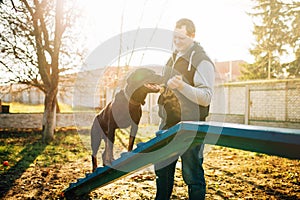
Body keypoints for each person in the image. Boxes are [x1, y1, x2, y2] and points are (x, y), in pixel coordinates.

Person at [154, 18, 215, 200]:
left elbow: (206, 98)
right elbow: (168, 87)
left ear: (192, 36)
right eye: (175, 37)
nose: (177, 42)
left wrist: (182, 87)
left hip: (192, 127)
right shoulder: (172, 59)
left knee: (192, 174)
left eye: (182, 38)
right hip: (168, 125)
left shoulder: (202, 60)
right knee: (162, 172)